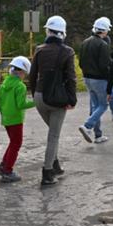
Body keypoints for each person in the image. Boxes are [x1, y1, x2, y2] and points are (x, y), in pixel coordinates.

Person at [28, 15, 77, 186]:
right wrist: (72, 99)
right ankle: (47, 172)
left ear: (48, 31)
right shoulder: (68, 52)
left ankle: (55, 165)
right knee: (53, 136)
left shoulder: (39, 50)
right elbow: (71, 78)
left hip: (40, 97)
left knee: (53, 133)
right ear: (63, 33)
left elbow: (32, 76)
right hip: (57, 100)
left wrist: (35, 94)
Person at [0, 56, 35, 183]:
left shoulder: (4, 83)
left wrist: (3, 115)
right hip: (16, 119)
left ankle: (3, 165)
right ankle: (7, 170)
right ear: (21, 72)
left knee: (12, 142)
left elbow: (0, 103)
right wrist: (36, 103)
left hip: (6, 118)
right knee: (16, 144)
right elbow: (21, 105)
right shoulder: (20, 86)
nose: (25, 76)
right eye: (25, 73)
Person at [78, 17, 113, 144]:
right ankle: (87, 126)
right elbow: (105, 65)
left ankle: (98, 135)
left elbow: (81, 62)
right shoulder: (103, 44)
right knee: (103, 105)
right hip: (100, 80)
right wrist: (110, 80)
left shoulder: (85, 42)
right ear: (104, 31)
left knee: (95, 106)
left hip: (87, 78)